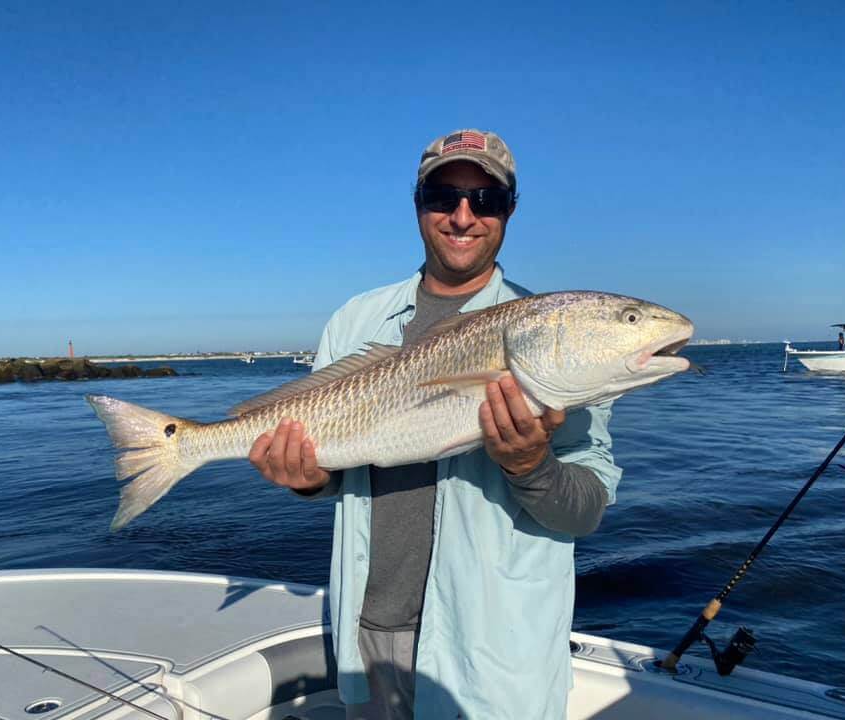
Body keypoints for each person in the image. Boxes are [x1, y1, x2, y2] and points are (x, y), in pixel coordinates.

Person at [248, 129, 621, 719]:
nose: (463, 215)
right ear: (418, 203)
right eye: (444, 195)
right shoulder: (354, 320)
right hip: (371, 635)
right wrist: (306, 478)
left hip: (492, 652)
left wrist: (532, 467)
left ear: (509, 212)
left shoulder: (550, 334)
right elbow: (338, 466)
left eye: (486, 199)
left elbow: (585, 511)